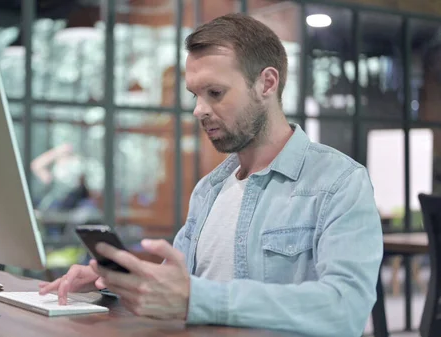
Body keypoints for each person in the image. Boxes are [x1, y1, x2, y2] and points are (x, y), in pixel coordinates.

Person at [39, 13, 383, 337]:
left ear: (267, 83)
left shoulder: (340, 183)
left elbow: (346, 308)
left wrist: (200, 300)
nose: (199, 110)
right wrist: (113, 281)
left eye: (215, 93)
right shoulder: (209, 190)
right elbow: (178, 288)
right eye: (196, 95)